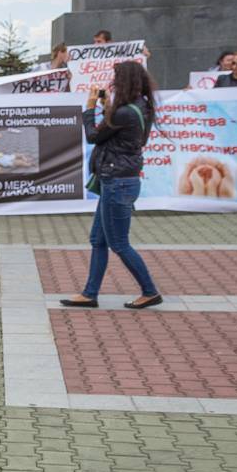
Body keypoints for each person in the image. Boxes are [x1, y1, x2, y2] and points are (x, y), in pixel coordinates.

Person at [60, 61, 164, 310]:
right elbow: (119, 133)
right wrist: (107, 107)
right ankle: (89, 294)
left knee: (119, 243)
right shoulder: (142, 107)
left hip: (117, 182)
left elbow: (94, 135)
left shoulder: (125, 112)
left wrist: (89, 108)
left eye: (116, 78)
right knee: (98, 239)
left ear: (125, 81)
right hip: (120, 180)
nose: (112, 83)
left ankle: (150, 291)